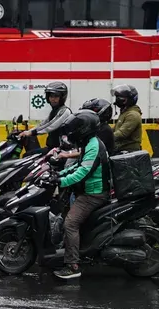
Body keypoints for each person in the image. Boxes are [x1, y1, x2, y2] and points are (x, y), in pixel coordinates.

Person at [50, 110, 108, 282]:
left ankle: (73, 266)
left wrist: (61, 182)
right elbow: (77, 165)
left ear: (83, 129)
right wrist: (60, 174)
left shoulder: (94, 146)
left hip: (94, 194)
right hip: (86, 191)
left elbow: (83, 172)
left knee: (70, 223)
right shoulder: (89, 143)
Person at [18, 81, 71, 149]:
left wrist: (32, 132)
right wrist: (28, 131)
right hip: (52, 147)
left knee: (27, 156)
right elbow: (43, 124)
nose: (53, 99)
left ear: (62, 97)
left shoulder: (65, 111)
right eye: (51, 96)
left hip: (60, 150)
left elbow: (51, 126)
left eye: (56, 96)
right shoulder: (55, 111)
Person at [111, 84, 143, 154]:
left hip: (128, 152)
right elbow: (115, 129)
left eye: (121, 98)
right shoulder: (125, 112)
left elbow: (122, 133)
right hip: (120, 149)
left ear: (131, 99)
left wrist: (106, 138)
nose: (118, 100)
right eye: (117, 97)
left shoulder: (132, 115)